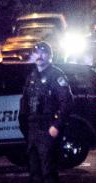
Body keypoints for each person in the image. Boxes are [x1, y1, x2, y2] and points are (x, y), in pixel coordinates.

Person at [19, 41, 73, 183]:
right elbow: (25, 101)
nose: (40, 56)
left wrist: (56, 125)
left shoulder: (56, 75)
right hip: (33, 128)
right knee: (34, 171)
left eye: (43, 53)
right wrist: (23, 123)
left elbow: (67, 102)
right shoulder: (32, 76)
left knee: (48, 171)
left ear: (50, 56)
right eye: (37, 52)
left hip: (47, 127)